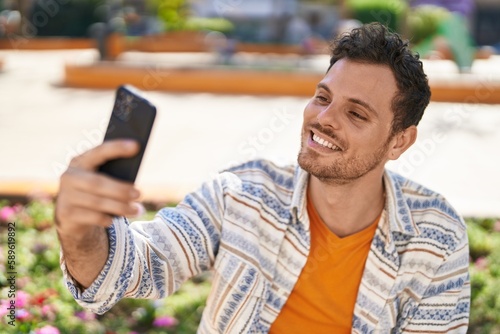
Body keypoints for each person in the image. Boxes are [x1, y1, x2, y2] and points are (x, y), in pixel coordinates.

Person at [55, 23, 470, 333]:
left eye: (356, 113)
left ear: (400, 142)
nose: (323, 120)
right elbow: (132, 270)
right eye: (323, 97)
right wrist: (81, 232)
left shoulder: (436, 237)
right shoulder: (241, 194)